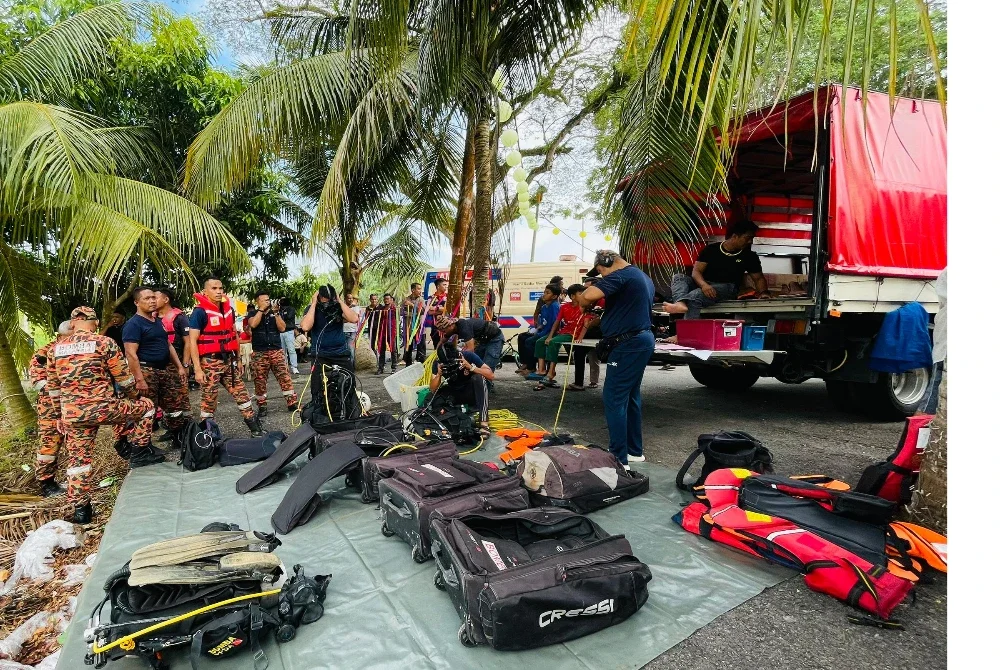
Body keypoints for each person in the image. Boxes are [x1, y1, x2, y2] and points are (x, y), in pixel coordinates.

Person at [47, 306, 156, 523]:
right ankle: (138, 454)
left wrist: (59, 415)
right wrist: (137, 398)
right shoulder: (104, 342)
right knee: (148, 409)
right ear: (96, 323)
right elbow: (124, 379)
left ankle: (82, 511)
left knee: (78, 461)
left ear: (72, 323)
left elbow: (53, 388)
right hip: (105, 408)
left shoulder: (55, 349)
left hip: (74, 415)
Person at [578, 250, 655, 468]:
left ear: (607, 261)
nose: (602, 275)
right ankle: (634, 451)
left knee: (614, 398)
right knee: (630, 395)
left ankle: (619, 459)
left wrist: (585, 300)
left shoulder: (621, 275)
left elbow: (586, 296)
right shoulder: (641, 276)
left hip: (627, 344)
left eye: (601, 271)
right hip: (639, 340)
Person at [188, 277, 263, 436]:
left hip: (229, 360)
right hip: (210, 362)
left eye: (220, 288)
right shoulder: (199, 312)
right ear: (205, 292)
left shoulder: (229, 310)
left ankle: (255, 429)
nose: (218, 291)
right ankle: (207, 436)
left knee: (242, 394)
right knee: (209, 400)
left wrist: (238, 359)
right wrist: (197, 369)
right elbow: (192, 341)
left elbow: (234, 334)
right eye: (214, 288)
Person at [122, 286, 188, 454]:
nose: (152, 301)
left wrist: (180, 367)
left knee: (174, 405)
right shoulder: (133, 324)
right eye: (147, 298)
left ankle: (177, 436)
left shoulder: (157, 321)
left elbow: (168, 345)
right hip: (147, 371)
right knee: (147, 410)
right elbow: (130, 354)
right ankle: (142, 449)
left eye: (153, 297)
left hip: (164, 370)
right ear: (136, 302)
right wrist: (139, 379)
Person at [661, 220, 767, 319]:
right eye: (747, 238)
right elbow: (696, 272)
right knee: (679, 277)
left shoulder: (750, 256)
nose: (750, 241)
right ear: (735, 236)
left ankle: (687, 330)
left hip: (728, 288)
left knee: (695, 295)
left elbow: (758, 279)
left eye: (752, 238)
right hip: (705, 285)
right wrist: (704, 285)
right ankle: (680, 303)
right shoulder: (711, 249)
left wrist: (764, 293)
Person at [29, 320, 73, 498]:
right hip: (50, 406)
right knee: (50, 441)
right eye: (70, 337)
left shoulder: (76, 350)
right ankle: (46, 483)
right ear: (60, 336)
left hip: (74, 404)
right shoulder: (44, 353)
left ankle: (75, 481)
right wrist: (60, 389)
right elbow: (38, 381)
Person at [299, 284, 359, 411]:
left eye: (330, 300)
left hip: (340, 353)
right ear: (319, 297)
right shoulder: (312, 309)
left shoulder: (337, 307)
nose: (327, 303)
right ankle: (320, 412)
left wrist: (339, 301)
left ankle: (349, 410)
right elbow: (305, 327)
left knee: (349, 383)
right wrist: (313, 304)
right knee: (317, 387)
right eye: (324, 300)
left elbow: (354, 319)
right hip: (320, 355)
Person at [246, 290, 299, 417]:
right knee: (259, 380)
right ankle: (262, 405)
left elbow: (282, 328)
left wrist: (276, 313)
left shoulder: (275, 312)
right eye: (264, 300)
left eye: (268, 299)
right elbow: (253, 324)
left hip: (276, 350)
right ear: (257, 302)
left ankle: (292, 402)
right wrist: (261, 310)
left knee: (284, 377)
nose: (267, 302)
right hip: (260, 352)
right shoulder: (252, 313)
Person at [532, 284, 591, 390]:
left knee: (553, 342)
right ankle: (541, 369)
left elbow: (586, 324)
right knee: (540, 341)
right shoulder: (564, 307)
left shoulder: (585, 307)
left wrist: (580, 338)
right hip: (563, 332)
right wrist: (550, 336)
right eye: (580, 294)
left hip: (573, 334)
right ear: (572, 296)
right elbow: (557, 322)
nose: (583, 296)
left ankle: (551, 372)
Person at [429, 340, 493, 435]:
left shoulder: (468, 356)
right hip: (454, 392)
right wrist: (439, 374)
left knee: (479, 378)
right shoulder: (439, 364)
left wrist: (471, 367)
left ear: (459, 356)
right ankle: (448, 418)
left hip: (470, 392)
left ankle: (484, 423)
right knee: (433, 397)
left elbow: (491, 375)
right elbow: (433, 389)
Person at [154, 286, 194, 440]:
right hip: (160, 364)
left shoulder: (180, 317)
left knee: (181, 396)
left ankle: (188, 429)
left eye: (156, 297)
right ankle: (173, 429)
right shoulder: (152, 318)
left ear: (166, 299)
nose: (153, 301)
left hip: (176, 364)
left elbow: (188, 342)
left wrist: (185, 364)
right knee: (166, 399)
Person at [435, 314, 505, 372]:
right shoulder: (452, 329)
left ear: (451, 326)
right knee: (477, 364)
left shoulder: (463, 327)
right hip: (483, 340)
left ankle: (486, 384)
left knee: (486, 367)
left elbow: (470, 349)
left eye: (444, 331)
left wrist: (458, 358)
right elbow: (442, 341)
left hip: (495, 339)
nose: (444, 333)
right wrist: (437, 353)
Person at [520, 284, 561, 378]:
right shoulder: (544, 307)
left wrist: (550, 336)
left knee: (530, 342)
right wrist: (537, 328)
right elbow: (544, 322)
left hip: (550, 332)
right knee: (523, 337)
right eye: (544, 292)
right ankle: (528, 365)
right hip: (543, 331)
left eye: (547, 293)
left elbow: (556, 323)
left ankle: (533, 368)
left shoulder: (554, 306)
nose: (544, 294)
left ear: (554, 296)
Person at [401, 283, 427, 366]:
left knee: (421, 348)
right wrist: (411, 312)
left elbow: (423, 311)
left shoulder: (421, 300)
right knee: (408, 348)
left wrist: (412, 305)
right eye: (418, 289)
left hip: (419, 328)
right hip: (409, 329)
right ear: (413, 290)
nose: (420, 291)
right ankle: (408, 365)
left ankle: (422, 365)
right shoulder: (406, 299)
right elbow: (402, 312)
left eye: (420, 289)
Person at [375, 293, 400, 374]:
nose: (386, 300)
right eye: (385, 299)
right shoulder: (381, 309)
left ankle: (394, 368)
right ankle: (381, 368)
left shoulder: (394, 309)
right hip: (382, 332)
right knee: (381, 350)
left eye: (388, 299)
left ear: (391, 300)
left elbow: (398, 319)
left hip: (391, 332)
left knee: (393, 350)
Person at [277, 298, 300, 374]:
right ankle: (284, 367)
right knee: (282, 351)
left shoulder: (291, 309)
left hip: (289, 331)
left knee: (291, 350)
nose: (281, 302)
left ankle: (294, 367)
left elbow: (288, 317)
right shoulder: (279, 310)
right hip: (281, 331)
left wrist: (280, 314)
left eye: (282, 300)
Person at [425, 278, 448, 347]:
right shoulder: (431, 298)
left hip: (447, 325)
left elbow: (449, 310)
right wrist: (442, 310)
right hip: (435, 326)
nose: (446, 286)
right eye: (444, 285)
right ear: (438, 286)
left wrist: (436, 308)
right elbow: (429, 312)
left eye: (446, 285)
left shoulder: (448, 297)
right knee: (437, 345)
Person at [342, 295, 362, 359]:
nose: (350, 299)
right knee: (344, 348)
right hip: (343, 330)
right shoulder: (342, 307)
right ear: (345, 299)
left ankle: (351, 364)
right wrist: (350, 319)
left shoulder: (356, 307)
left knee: (350, 348)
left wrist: (346, 319)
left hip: (352, 331)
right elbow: (340, 319)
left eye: (351, 298)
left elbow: (355, 319)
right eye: (348, 298)